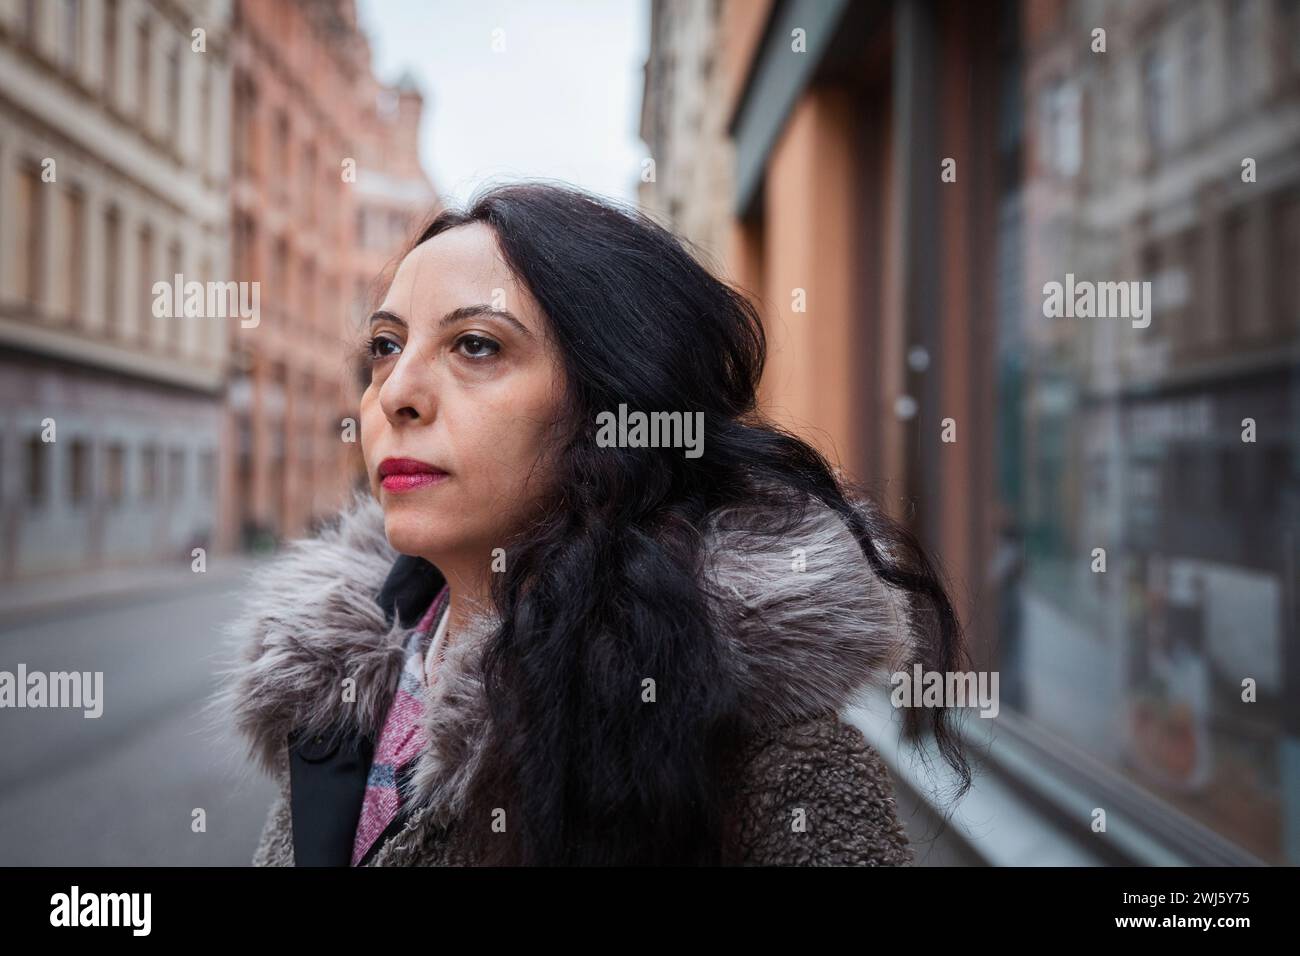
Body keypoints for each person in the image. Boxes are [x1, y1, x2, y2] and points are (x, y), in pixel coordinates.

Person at [210, 181, 971, 866]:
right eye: (385, 346)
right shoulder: (342, 693)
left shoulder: (773, 758)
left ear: (612, 409)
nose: (396, 393)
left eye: (476, 345)